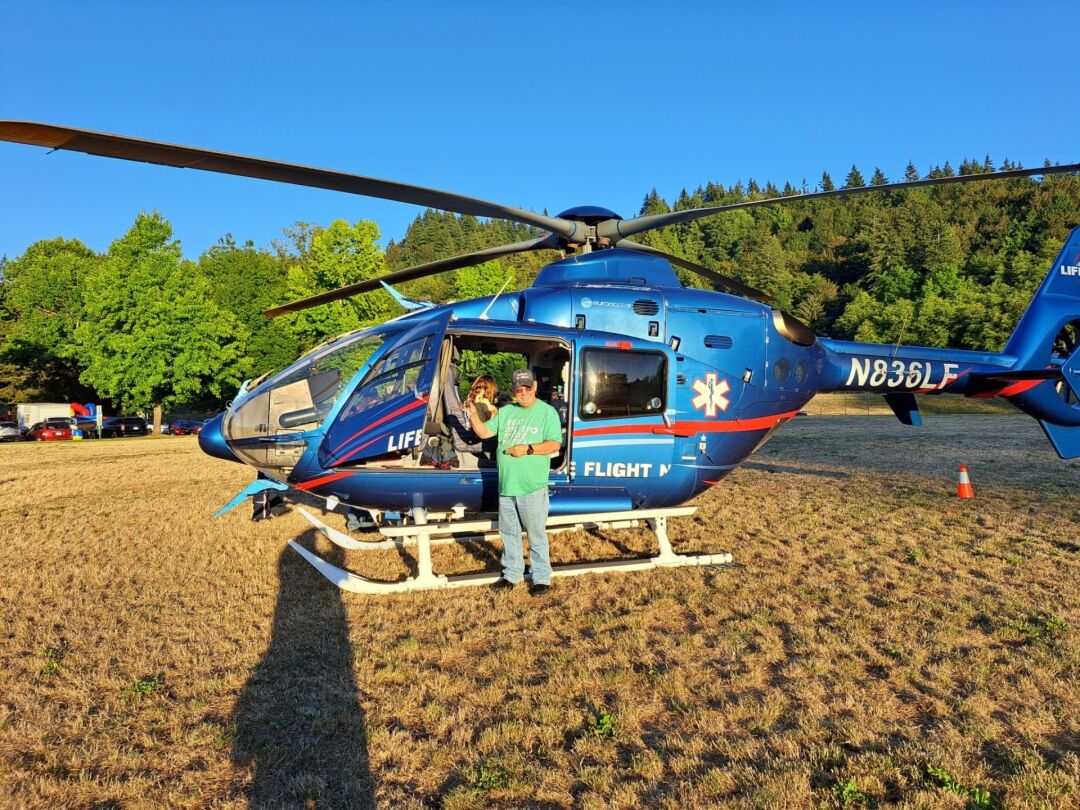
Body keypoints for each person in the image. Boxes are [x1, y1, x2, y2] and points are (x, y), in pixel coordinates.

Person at [466, 368, 563, 595]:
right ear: (514, 391)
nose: (523, 393)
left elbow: (554, 444)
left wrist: (527, 449)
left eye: (527, 388)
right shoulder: (507, 411)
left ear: (535, 387)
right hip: (507, 486)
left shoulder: (547, 412)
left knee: (536, 535)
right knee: (509, 534)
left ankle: (541, 578)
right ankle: (512, 574)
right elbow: (484, 433)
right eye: (519, 389)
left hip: (531, 486)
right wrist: (472, 414)